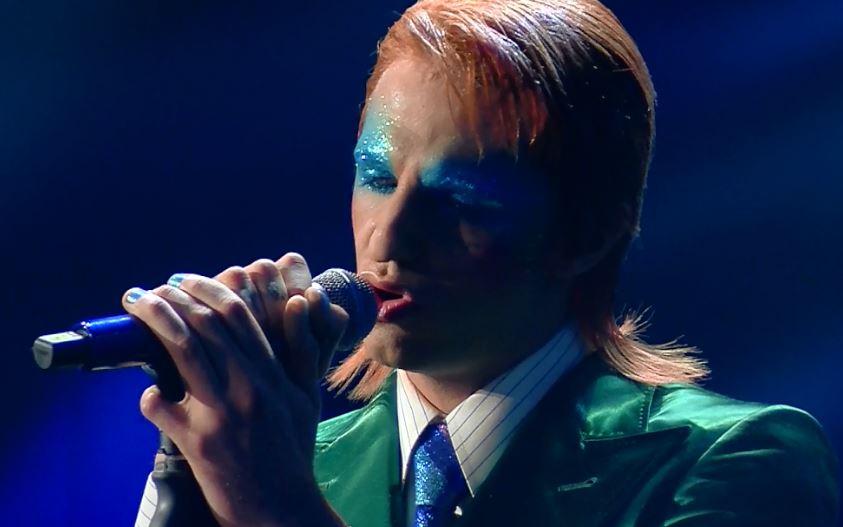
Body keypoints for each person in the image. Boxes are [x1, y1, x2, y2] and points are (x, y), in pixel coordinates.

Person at [130, 0, 840, 526]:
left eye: (461, 199)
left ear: (588, 232)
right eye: (376, 177)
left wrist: (278, 509)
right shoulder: (286, 463)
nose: (389, 237)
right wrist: (187, 482)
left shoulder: (731, 461)